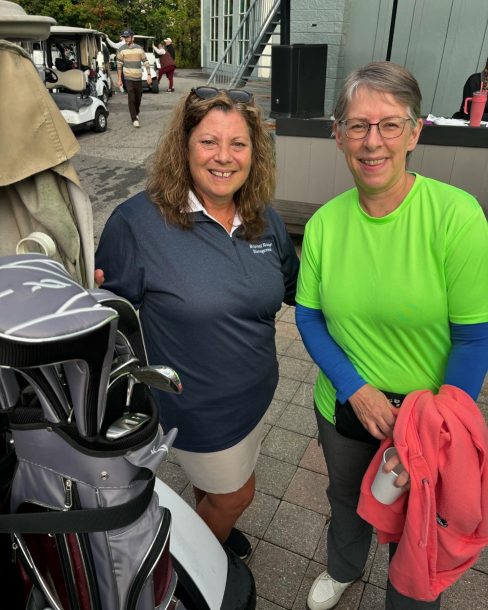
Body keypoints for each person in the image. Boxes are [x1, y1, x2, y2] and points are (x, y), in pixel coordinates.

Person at [295, 61, 488, 610]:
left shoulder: (456, 216)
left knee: (420, 522)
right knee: (347, 500)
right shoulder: (326, 225)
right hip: (345, 406)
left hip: (429, 416)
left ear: (415, 131)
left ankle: (406, 597)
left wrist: (436, 424)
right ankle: (343, 566)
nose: (372, 141)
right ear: (338, 135)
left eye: (388, 124)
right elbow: (309, 317)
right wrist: (356, 387)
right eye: (357, 125)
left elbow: (475, 337)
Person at [95, 86, 299, 559]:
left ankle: (208, 516)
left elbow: (293, 288)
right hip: (197, 407)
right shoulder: (137, 223)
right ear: (183, 147)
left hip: (256, 393)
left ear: (255, 152)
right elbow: (113, 321)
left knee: (216, 492)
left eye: (238, 144)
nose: (224, 157)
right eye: (209, 142)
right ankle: (186, 564)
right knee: (237, 496)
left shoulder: (263, 219)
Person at [116, 29, 152, 127]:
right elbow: (119, 65)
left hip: (138, 77)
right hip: (128, 77)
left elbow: (146, 62)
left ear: (132, 37)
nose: (126, 39)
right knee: (131, 97)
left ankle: (136, 112)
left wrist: (149, 75)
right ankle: (134, 119)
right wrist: (119, 79)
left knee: (138, 98)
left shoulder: (139, 49)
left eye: (127, 37)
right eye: (124, 37)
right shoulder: (121, 49)